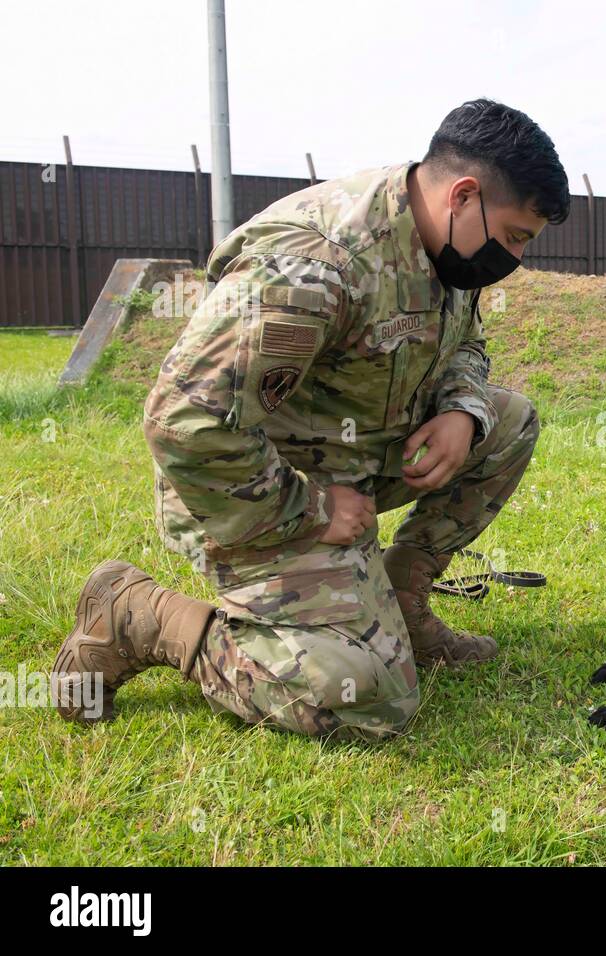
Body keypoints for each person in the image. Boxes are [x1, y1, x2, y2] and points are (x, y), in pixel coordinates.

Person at [52, 98, 569, 741]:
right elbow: (185, 420)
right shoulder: (313, 266)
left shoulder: (446, 242)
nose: (514, 258)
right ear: (464, 195)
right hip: (248, 489)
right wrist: (312, 509)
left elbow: (465, 340)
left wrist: (462, 411)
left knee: (507, 421)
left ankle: (401, 602)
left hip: (354, 458)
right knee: (365, 698)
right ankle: (139, 615)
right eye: (516, 237)